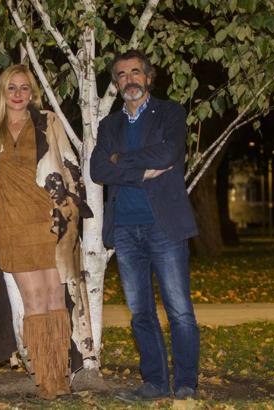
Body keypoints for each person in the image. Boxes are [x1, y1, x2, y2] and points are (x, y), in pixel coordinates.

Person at [0, 64, 95, 400]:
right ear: (2, 93)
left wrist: (72, 211)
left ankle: (61, 375)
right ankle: (45, 380)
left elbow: (70, 163)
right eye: (11, 88)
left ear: (32, 93)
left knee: (54, 298)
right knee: (34, 301)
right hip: (12, 224)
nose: (18, 94)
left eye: (24, 88)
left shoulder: (47, 120)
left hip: (48, 222)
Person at [90, 50, 200, 401]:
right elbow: (97, 170)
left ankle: (185, 384)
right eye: (122, 75)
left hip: (164, 226)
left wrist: (120, 159)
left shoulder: (169, 112)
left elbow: (169, 155)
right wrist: (139, 171)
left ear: (148, 77)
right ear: (117, 82)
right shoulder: (109, 125)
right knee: (140, 313)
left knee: (179, 310)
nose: (129, 80)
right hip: (124, 229)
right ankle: (154, 383)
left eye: (135, 72)